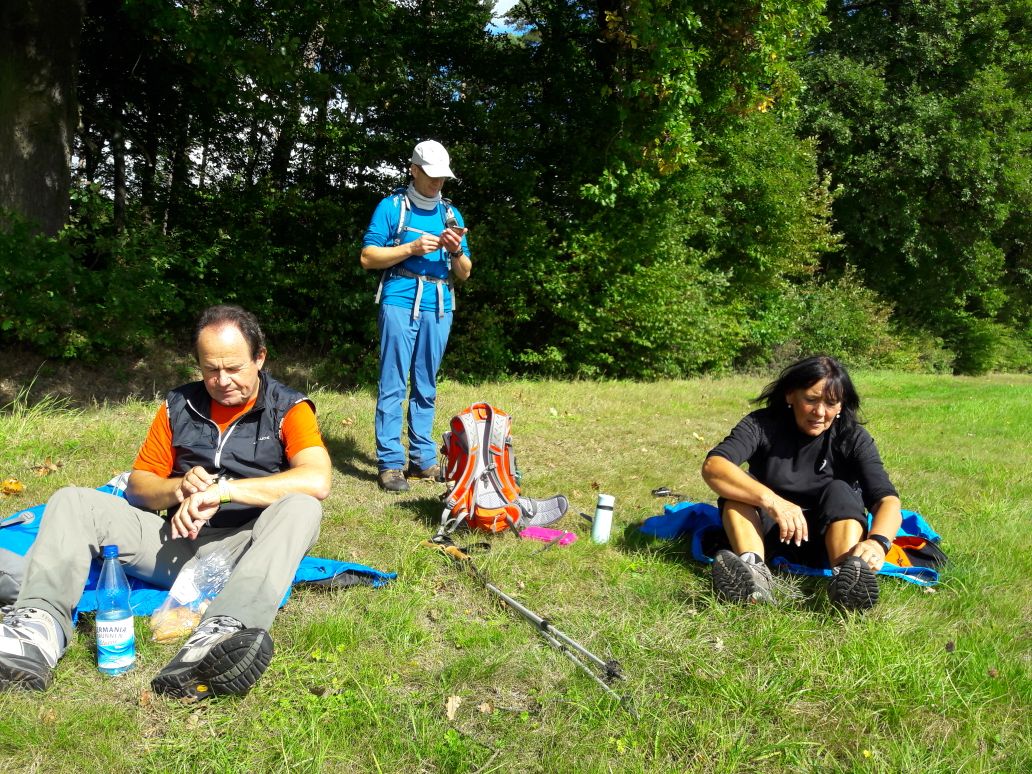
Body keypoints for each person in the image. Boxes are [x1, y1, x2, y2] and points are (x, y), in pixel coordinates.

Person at [0, 305, 332, 696]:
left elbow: (317, 478)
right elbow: (139, 486)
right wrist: (178, 489)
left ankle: (218, 635)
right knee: (74, 501)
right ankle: (37, 631)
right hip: (176, 543)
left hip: (246, 549)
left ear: (260, 358)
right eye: (211, 369)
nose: (222, 380)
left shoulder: (288, 408)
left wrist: (223, 491)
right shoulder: (178, 406)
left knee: (303, 506)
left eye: (234, 368)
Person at [701, 355, 902, 610]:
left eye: (831, 403)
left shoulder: (853, 437)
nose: (820, 412)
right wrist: (774, 502)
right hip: (766, 535)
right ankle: (754, 573)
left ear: (841, 406)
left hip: (829, 539)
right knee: (738, 490)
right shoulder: (761, 425)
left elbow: (887, 500)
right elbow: (714, 466)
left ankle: (846, 579)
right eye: (811, 400)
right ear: (790, 395)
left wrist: (878, 542)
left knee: (841, 489)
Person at [360, 140, 472, 492]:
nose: (438, 183)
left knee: (426, 383)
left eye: (443, 177)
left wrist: (455, 251)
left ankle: (423, 460)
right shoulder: (392, 207)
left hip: (438, 304)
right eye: (431, 175)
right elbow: (367, 257)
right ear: (414, 169)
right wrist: (409, 248)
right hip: (399, 298)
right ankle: (390, 463)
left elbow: (465, 272)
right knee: (393, 382)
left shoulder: (452, 215)